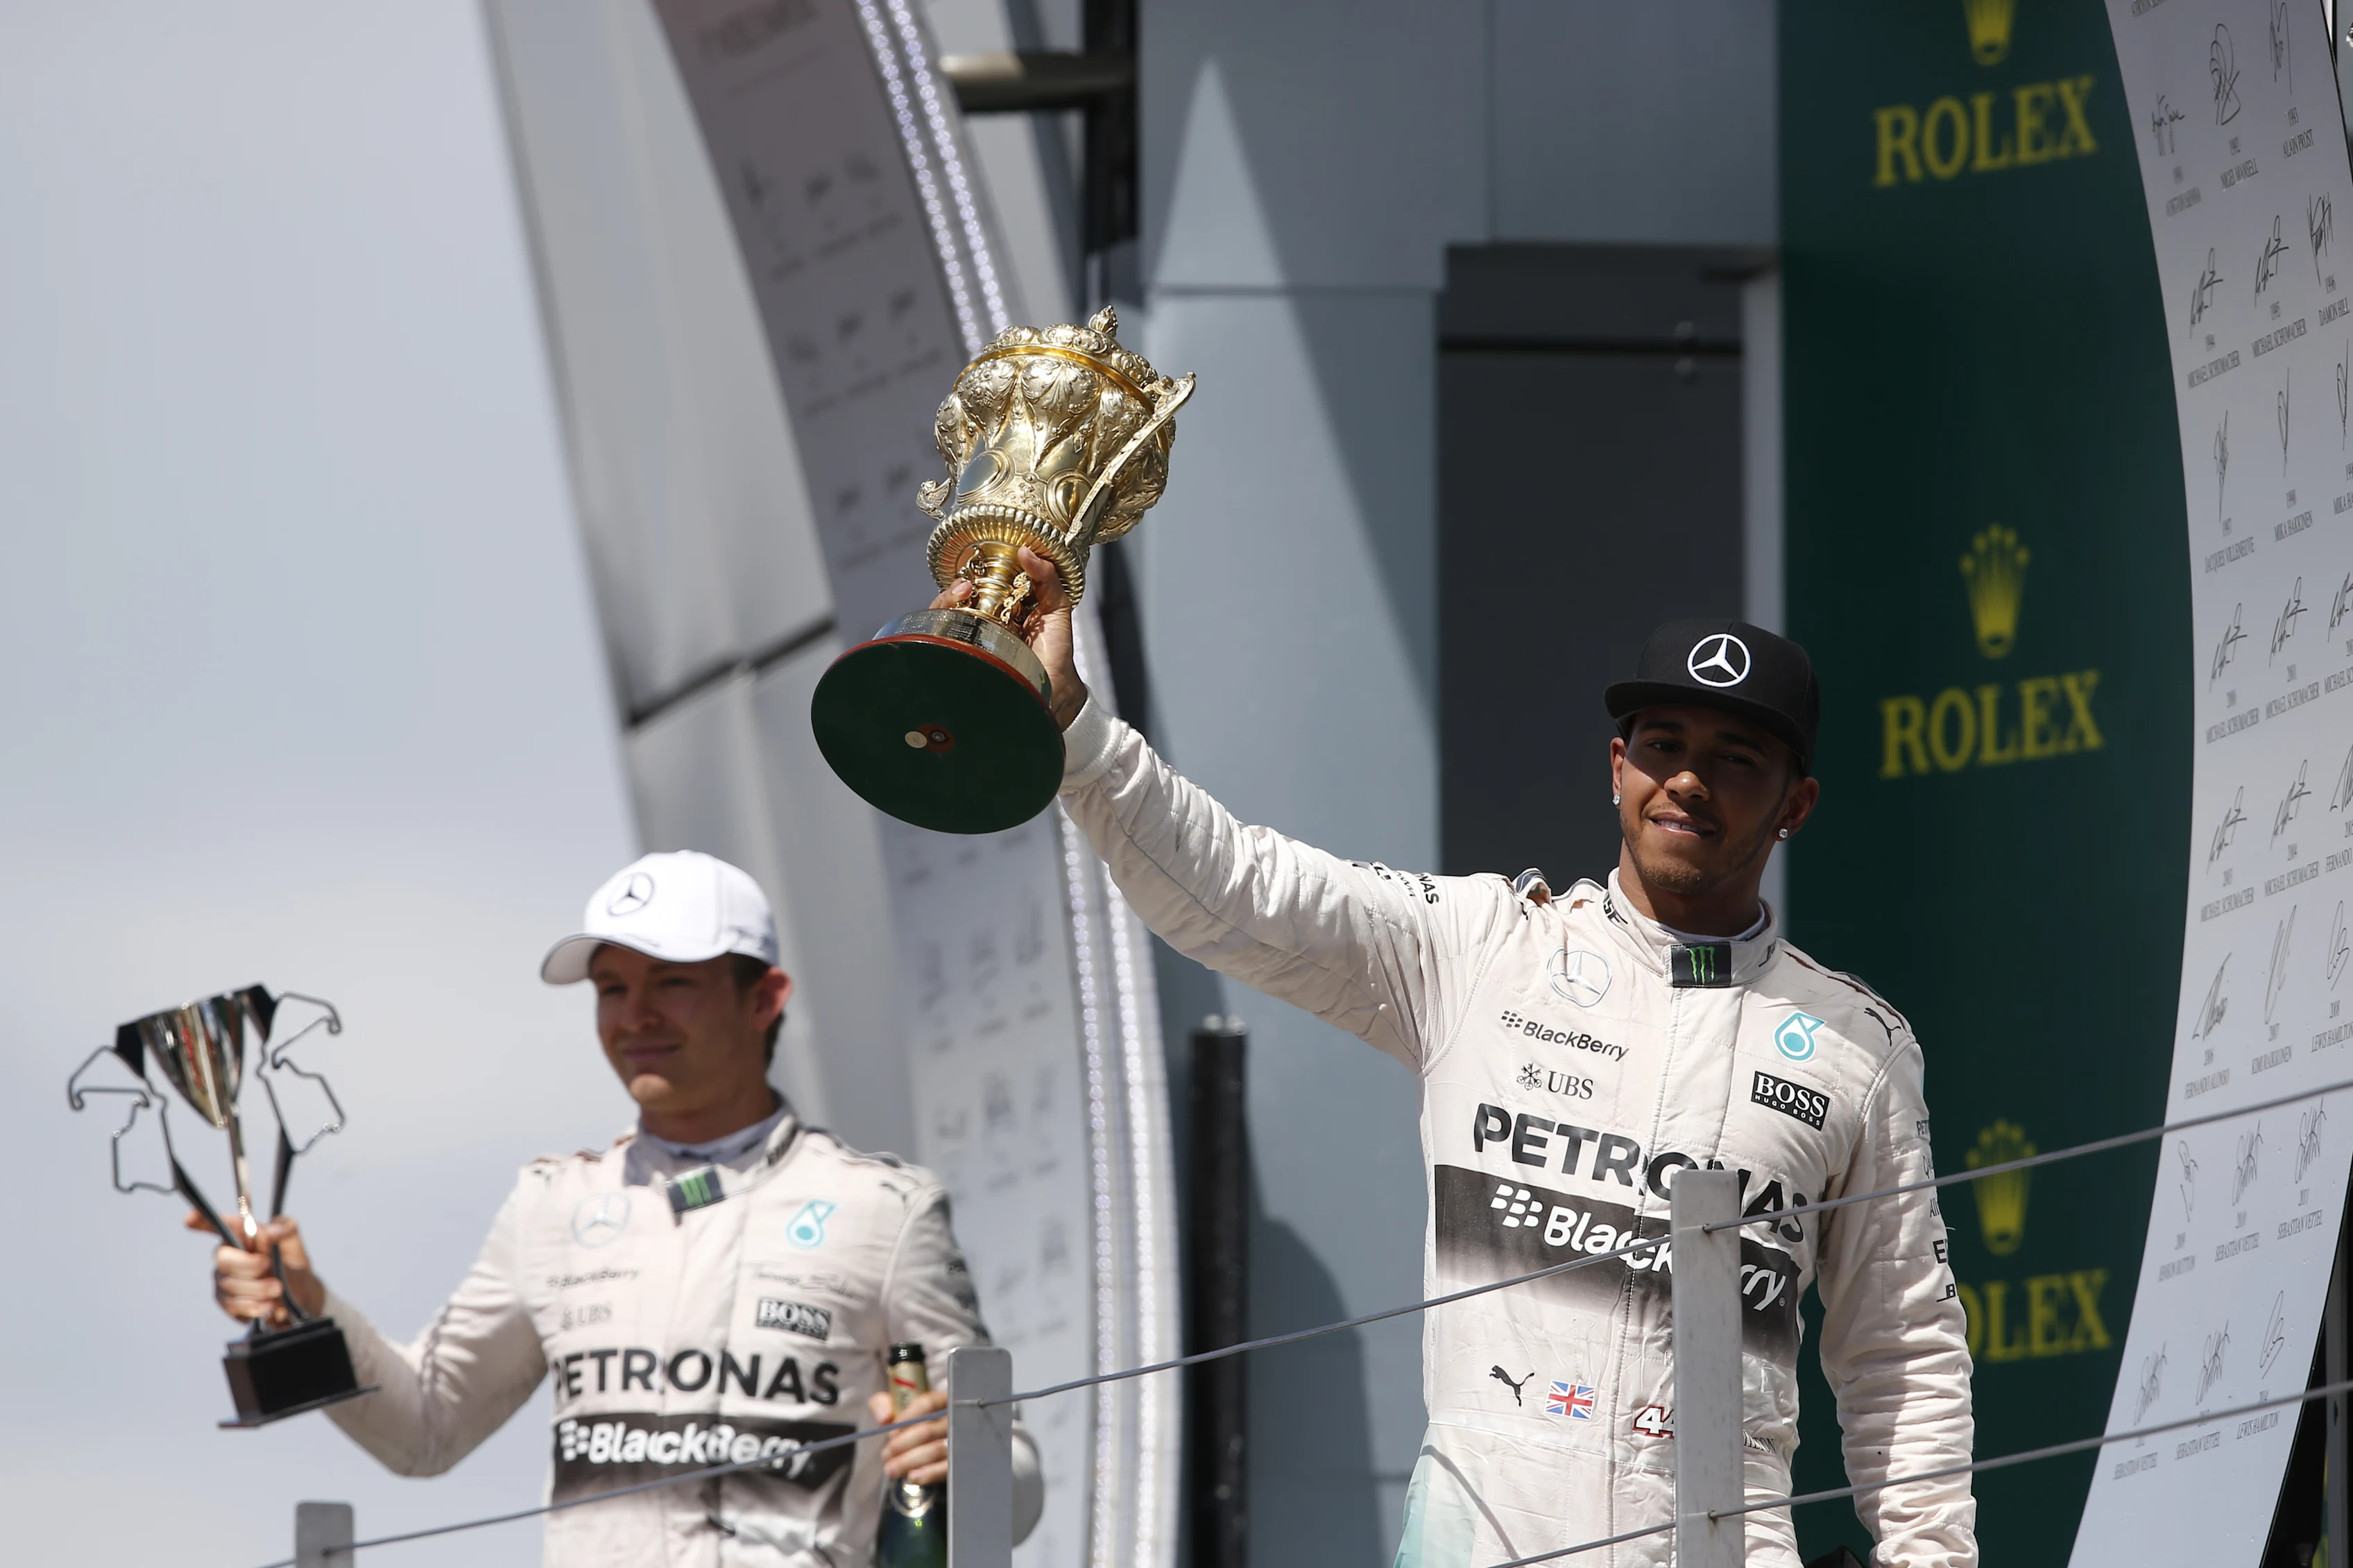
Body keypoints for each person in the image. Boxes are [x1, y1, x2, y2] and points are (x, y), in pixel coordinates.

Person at [941, 555, 1975, 1567]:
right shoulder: (1483, 948)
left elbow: (1904, 1354)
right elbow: (1234, 890)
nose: (1691, 780)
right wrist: (1074, 722)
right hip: (1485, 1533)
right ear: (1618, 766)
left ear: (1796, 803)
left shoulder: (1857, 1048)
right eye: (1665, 744)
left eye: (1739, 758)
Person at [199, 849, 1043, 1566]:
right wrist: (305, 1314)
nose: (634, 1015)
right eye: (610, 987)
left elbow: (1014, 1487)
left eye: (670, 982)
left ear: (765, 997)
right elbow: (425, 1428)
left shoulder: (881, 1210)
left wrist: (963, 1459)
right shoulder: (552, 1205)